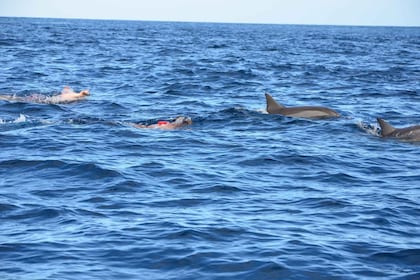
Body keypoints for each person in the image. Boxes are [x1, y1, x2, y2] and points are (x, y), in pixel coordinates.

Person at [0, 86, 90, 104]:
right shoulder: (74, 96)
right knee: (19, 99)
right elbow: (78, 94)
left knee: (18, 98)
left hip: (45, 99)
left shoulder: (71, 94)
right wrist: (82, 93)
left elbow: (66, 88)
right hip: (47, 100)